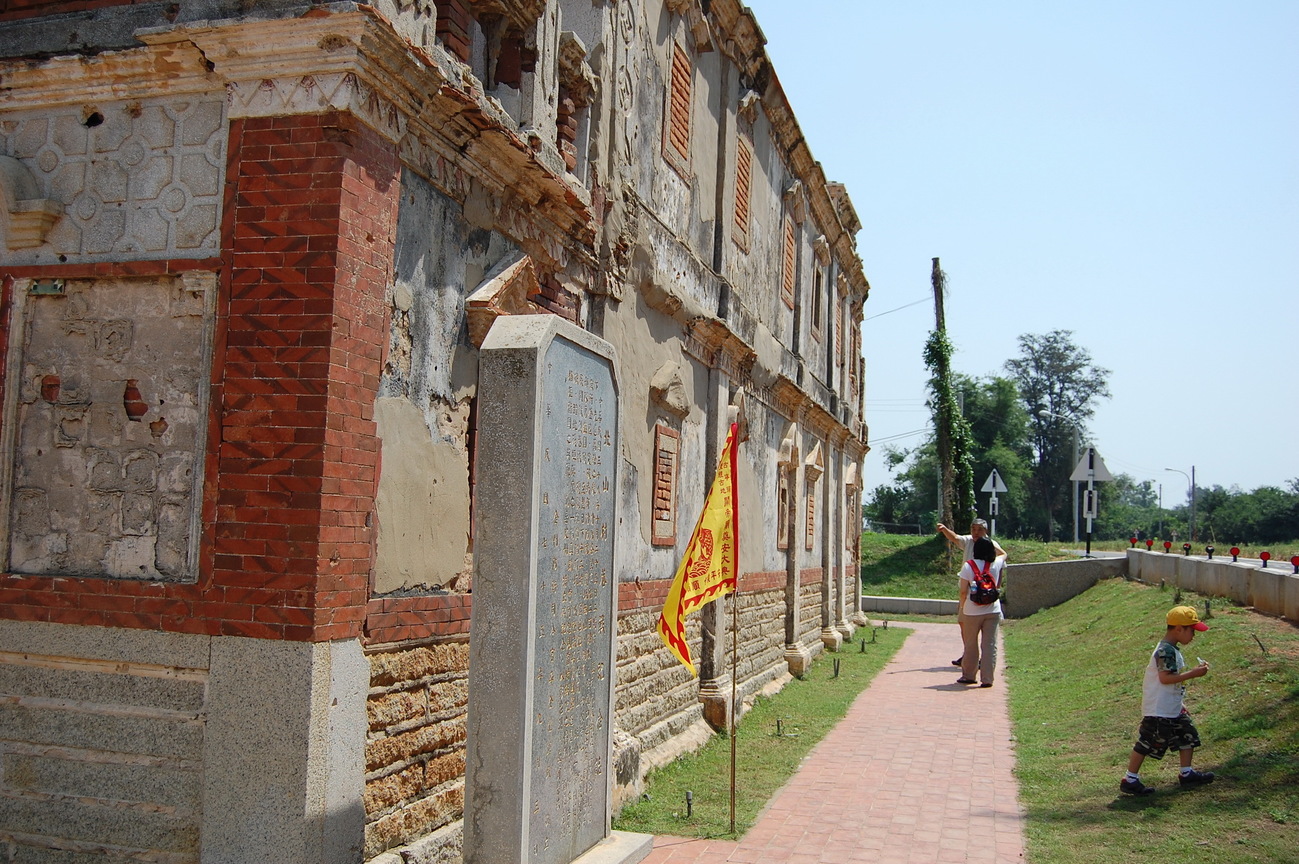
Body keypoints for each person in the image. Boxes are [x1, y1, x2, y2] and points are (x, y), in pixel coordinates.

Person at [1119, 606, 1215, 795]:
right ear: (1179, 629)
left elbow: (1170, 682)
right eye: (1192, 630)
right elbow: (1165, 678)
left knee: (1187, 734)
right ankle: (1130, 779)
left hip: (1172, 707)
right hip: (1159, 709)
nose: (1194, 635)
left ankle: (1186, 773)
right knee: (1147, 741)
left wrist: (1180, 704)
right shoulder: (1165, 651)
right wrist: (1193, 673)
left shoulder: (1171, 649)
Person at [937, 519, 1005, 666]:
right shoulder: (968, 541)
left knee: (983, 634)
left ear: (986, 531)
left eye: (979, 529)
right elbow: (955, 538)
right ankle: (969, 656)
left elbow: (1001, 567)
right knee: (965, 626)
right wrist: (944, 529)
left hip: (984, 596)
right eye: (973, 529)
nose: (976, 532)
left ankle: (974, 663)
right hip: (970, 595)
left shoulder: (991, 545)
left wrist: (995, 588)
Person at [956, 536, 1004, 687]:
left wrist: (962, 606)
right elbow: (1004, 554)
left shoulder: (968, 566)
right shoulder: (996, 563)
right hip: (993, 610)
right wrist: (994, 545)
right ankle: (987, 678)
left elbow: (963, 591)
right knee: (989, 645)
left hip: (972, 611)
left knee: (971, 644)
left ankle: (969, 675)